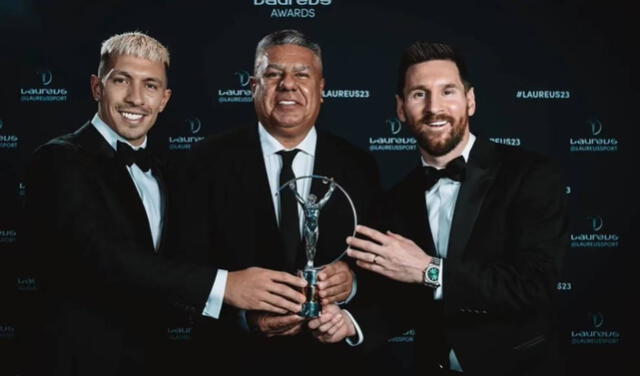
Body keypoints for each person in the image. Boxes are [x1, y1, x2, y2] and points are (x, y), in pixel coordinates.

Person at [24, 31, 307, 376]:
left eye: (150, 86)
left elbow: (179, 268)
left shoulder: (169, 173)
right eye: (121, 81)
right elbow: (103, 256)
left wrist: (249, 315)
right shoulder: (59, 160)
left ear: (165, 99)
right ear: (97, 87)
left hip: (155, 360)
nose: (135, 99)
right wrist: (226, 285)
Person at [316, 41, 568, 375]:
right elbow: (407, 300)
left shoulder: (531, 174)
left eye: (447, 91)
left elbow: (535, 285)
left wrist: (429, 270)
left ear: (471, 101)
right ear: (401, 109)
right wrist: (352, 322)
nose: (435, 108)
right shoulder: (397, 198)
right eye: (419, 94)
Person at [177, 29, 380, 374]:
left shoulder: (359, 165)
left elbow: (382, 269)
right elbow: (179, 269)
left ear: (322, 89)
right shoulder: (204, 161)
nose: (288, 84)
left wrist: (353, 283)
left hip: (333, 364)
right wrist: (243, 317)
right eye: (273, 74)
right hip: (231, 359)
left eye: (302, 74)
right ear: (254, 85)